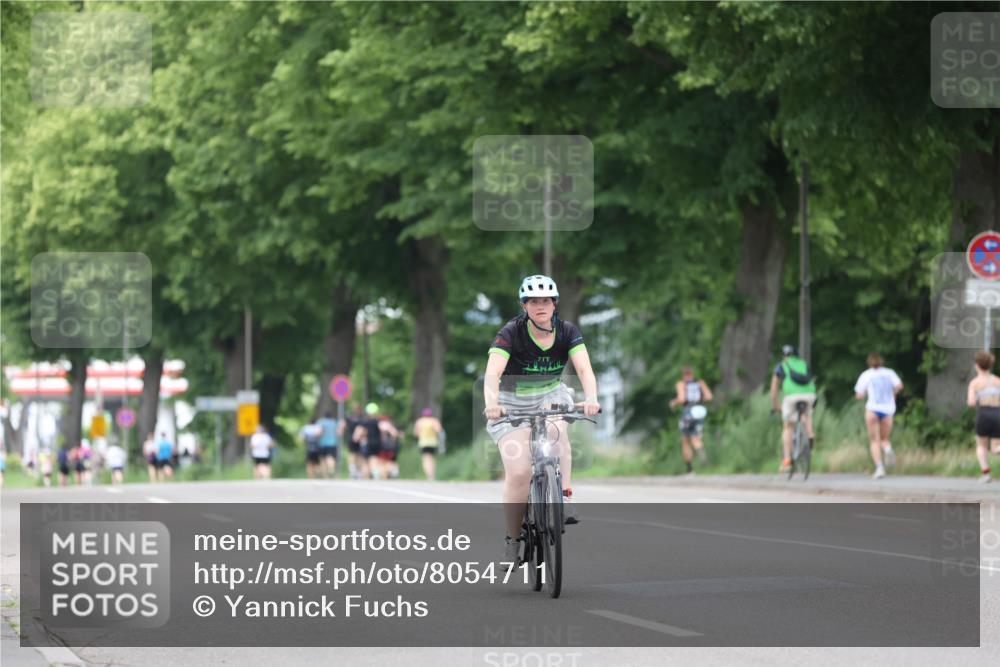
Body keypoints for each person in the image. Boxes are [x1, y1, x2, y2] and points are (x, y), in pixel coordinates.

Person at [483, 275, 600, 565]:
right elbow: (492, 374)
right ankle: (513, 539)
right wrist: (492, 404)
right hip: (511, 402)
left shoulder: (567, 331)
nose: (540, 306)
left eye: (545, 300)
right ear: (524, 305)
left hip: (551, 394)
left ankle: (566, 497)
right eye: (533, 301)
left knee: (557, 435)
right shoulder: (511, 332)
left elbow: (584, 370)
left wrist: (592, 398)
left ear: (554, 303)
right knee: (520, 472)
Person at [854, 353, 903, 479]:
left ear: (869, 363)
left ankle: (880, 468)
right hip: (888, 409)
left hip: (873, 409)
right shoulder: (889, 373)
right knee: (884, 439)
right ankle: (887, 449)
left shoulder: (866, 375)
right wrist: (893, 393)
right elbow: (899, 386)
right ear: (881, 362)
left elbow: (859, 394)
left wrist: (862, 396)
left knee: (874, 440)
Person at [770, 344, 817, 473]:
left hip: (791, 396)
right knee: (806, 414)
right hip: (809, 395)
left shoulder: (781, 366)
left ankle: (787, 460)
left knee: (788, 426)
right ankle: (809, 433)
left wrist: (775, 404)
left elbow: (774, 388)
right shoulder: (803, 364)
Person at [669, 365, 713, 475]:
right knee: (696, 438)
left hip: (688, 412)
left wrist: (673, 403)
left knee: (685, 441)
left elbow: (682, 398)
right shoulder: (700, 383)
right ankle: (700, 450)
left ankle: (689, 470)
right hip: (699, 412)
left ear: (683, 374)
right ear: (692, 373)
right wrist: (699, 399)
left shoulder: (681, 384)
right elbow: (709, 397)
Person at [967, 350, 1000, 483]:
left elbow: (971, 402)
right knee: (995, 448)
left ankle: (986, 473)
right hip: (998, 413)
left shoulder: (975, 383)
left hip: (984, 414)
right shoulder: (998, 380)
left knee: (981, 445)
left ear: (977, 365)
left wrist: (977, 398)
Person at [353, 403, 386, 479]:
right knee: (375, 459)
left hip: (368, 443)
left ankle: (368, 475)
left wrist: (356, 438)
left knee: (366, 460)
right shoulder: (378, 421)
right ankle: (375, 474)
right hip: (377, 443)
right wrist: (382, 438)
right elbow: (382, 430)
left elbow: (360, 431)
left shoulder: (365, 422)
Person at [413, 407, 443, 480]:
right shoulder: (434, 421)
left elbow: (416, 433)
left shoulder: (420, 421)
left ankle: (429, 475)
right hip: (433, 442)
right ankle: (432, 475)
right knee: (432, 458)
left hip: (423, 442)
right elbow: (439, 430)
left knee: (426, 459)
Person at [341, 402, 367, 479]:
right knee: (359, 455)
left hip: (351, 438)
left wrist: (341, 433)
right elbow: (365, 428)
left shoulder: (349, 417)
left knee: (352, 454)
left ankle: (352, 470)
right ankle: (358, 471)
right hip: (360, 439)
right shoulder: (362, 418)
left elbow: (342, 426)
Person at [316, 411, 340, 478]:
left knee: (323, 459)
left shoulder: (321, 422)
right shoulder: (334, 422)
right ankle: (331, 469)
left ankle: (325, 476)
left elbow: (318, 432)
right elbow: (338, 432)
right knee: (330, 457)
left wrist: (316, 437)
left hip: (323, 443)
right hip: (333, 443)